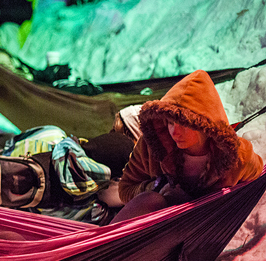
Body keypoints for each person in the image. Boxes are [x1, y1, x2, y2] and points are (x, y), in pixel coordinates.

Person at [111, 70, 263, 223]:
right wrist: (154, 187)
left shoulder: (236, 155)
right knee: (151, 200)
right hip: (156, 230)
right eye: (170, 122)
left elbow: (257, 174)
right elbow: (125, 189)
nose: (174, 132)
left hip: (204, 229)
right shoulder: (152, 145)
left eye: (184, 124)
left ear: (204, 125)